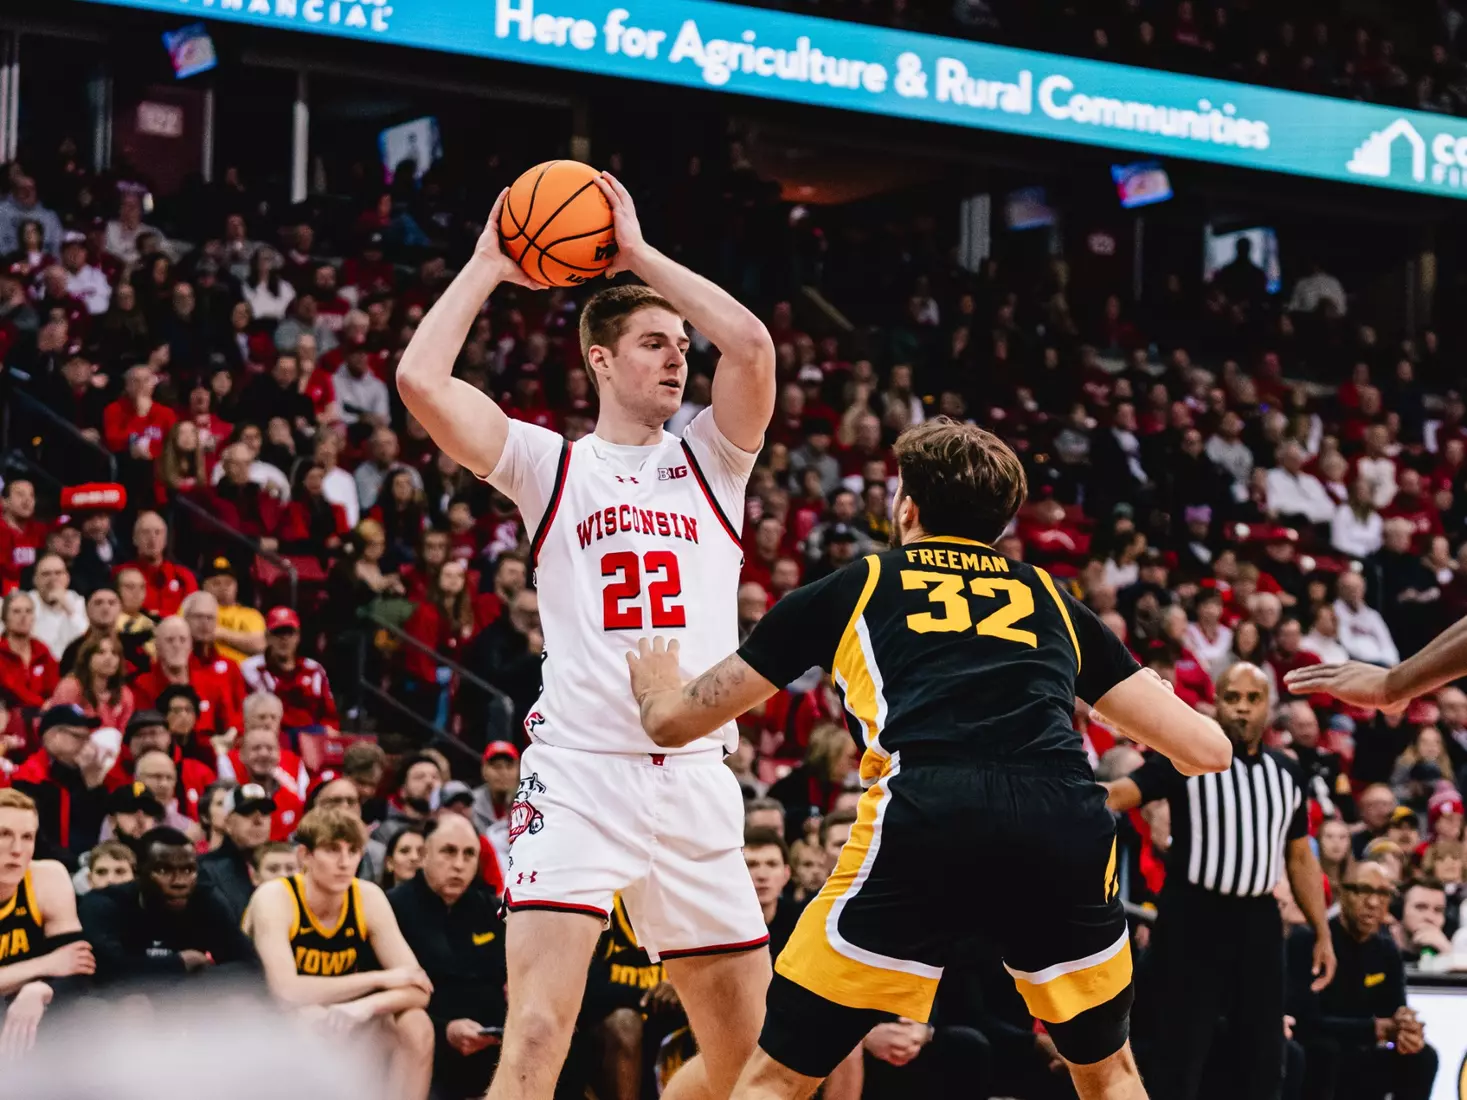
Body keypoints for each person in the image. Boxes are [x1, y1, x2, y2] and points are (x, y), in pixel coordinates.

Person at [624, 418, 1232, 1100]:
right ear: (998, 528)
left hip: (927, 811)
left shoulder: (856, 584)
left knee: (778, 1078)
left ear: (906, 509)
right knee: (1107, 1072)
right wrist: (1143, 688)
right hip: (1061, 819)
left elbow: (677, 723)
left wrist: (653, 691)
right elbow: (1208, 750)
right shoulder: (1050, 599)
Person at [396, 173, 777, 1100]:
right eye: (652, 343)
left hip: (692, 778)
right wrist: (490, 262)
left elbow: (753, 343)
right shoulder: (549, 465)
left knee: (751, 1066)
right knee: (533, 1034)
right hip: (578, 775)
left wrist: (640, 255)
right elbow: (419, 380)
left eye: (680, 346)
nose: (676, 359)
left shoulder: (715, 462)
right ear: (600, 362)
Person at [1104, 662, 1335, 1099]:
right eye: (1233, 698)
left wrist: (1322, 930)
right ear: (1217, 703)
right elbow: (1124, 791)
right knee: (1181, 1047)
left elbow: (1300, 856)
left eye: (1253, 699)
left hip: (1260, 921)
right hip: (1194, 915)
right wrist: (1064, 796)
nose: (1243, 709)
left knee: (1266, 1051)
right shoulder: (1185, 758)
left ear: (1269, 707)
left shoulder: (1288, 772)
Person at [247, 807, 435, 1100]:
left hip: (339, 1012)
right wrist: (381, 979)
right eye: (332, 850)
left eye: (353, 851)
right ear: (304, 856)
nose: (345, 862)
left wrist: (364, 1007)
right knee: (309, 1020)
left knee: (416, 1023)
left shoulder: (367, 896)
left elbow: (419, 987)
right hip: (264, 1016)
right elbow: (286, 991)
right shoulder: (275, 897)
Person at [1286, 860, 1438, 1100]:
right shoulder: (1309, 942)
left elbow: (1394, 1010)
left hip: (1363, 1055)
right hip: (1320, 1054)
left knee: (1423, 1057)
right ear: (1343, 893)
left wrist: (1405, 1027)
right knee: (1324, 1052)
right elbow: (1304, 1021)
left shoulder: (1388, 950)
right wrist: (1372, 1029)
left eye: (1383, 893)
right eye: (1364, 890)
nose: (1373, 902)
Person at [389, 814, 508, 1100]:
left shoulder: (490, 909)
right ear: (424, 854)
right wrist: (446, 1030)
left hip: (490, 1045)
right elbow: (387, 1000)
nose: (459, 864)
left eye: (469, 854)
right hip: (430, 1044)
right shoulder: (393, 907)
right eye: (448, 851)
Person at [79, 826, 259, 993]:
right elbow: (106, 972)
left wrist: (195, 980)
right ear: (138, 872)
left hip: (186, 1002)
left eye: (188, 870)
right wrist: (179, 963)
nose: (179, 882)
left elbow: (248, 966)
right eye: (164, 870)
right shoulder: (104, 903)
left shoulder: (205, 899)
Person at [0, 789, 95, 1055]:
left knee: (92, 1013)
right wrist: (44, 965)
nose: (17, 850)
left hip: (26, 1002)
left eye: (27, 837)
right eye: (3, 834)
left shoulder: (47, 878)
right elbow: (59, 962)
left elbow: (79, 967)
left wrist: (41, 989)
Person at [9, 704, 111, 866]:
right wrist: (79, 862)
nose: (86, 745)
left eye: (88, 738)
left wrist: (94, 786)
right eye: (79, 737)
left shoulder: (84, 772)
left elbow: (95, 829)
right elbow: (37, 841)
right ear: (53, 736)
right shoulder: (29, 779)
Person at [240, 607, 339, 734]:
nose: (284, 639)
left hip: (312, 740)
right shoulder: (250, 669)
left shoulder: (314, 670)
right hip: (270, 738)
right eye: (278, 633)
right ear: (267, 637)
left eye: (289, 632)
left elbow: (329, 717)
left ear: (298, 636)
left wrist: (329, 731)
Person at [743, 827, 803, 958]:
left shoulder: (803, 924)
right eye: (751, 865)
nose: (762, 875)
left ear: (786, 874)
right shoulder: (719, 926)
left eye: (772, 864)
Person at [199, 558, 267, 663]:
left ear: (236, 586)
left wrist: (220, 633)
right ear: (205, 586)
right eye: (216, 583)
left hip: (241, 672)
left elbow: (260, 645)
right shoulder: (195, 610)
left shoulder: (251, 615)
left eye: (228, 583)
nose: (223, 588)